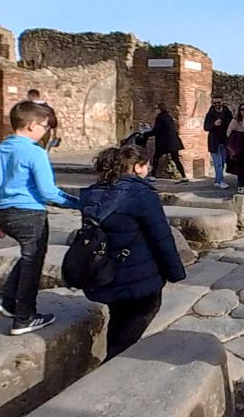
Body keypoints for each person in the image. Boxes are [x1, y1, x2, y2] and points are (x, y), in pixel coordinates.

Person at [79, 145, 187, 360]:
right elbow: (161, 237)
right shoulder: (142, 195)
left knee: (118, 320)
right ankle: (114, 368)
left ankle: (113, 355)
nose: (148, 170)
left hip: (104, 273)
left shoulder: (92, 193)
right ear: (137, 167)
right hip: (138, 277)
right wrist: (175, 272)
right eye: (146, 165)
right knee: (139, 319)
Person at [0, 101, 79, 335]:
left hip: (6, 212)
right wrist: (78, 204)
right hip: (29, 213)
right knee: (33, 263)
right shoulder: (35, 152)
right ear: (30, 125)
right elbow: (48, 191)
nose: (46, 131)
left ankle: (6, 299)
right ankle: (25, 317)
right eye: (44, 126)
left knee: (28, 256)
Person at [147, 103, 189, 184]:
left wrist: (146, 134)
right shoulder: (168, 116)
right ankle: (184, 177)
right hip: (173, 142)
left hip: (164, 143)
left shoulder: (160, 117)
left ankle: (152, 176)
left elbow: (156, 130)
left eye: (157, 109)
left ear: (159, 109)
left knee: (156, 158)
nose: (156, 111)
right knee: (176, 159)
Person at [203, 96, 233, 189]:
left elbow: (231, 124)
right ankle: (220, 181)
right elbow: (206, 127)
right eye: (215, 103)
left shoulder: (227, 113)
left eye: (218, 102)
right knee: (218, 163)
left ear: (222, 102)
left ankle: (217, 180)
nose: (217, 104)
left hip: (224, 142)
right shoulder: (210, 114)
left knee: (223, 162)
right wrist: (214, 124)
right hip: (214, 142)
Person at [226, 103, 244, 197]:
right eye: (242, 109)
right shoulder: (236, 121)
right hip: (240, 147)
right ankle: (241, 186)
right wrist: (240, 136)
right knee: (241, 167)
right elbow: (229, 132)